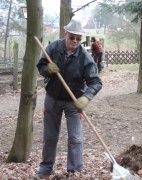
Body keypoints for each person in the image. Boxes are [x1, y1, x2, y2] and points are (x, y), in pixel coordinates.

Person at [35, 19, 102, 179]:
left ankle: (74, 171)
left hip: (74, 101)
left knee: (75, 138)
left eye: (78, 39)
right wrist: (47, 70)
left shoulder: (85, 57)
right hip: (53, 98)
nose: (75, 41)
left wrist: (86, 98)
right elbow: (41, 66)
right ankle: (45, 170)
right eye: (72, 37)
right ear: (66, 34)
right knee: (50, 136)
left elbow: (96, 82)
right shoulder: (54, 47)